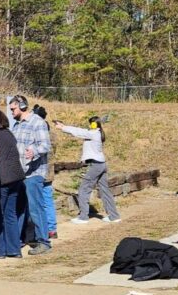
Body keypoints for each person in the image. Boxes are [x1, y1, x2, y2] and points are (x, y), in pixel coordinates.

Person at [54, 115, 122, 224]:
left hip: (96, 165)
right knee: (105, 190)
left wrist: (63, 128)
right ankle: (114, 216)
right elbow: (82, 130)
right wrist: (63, 126)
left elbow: (79, 132)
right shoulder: (96, 133)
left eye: (91, 123)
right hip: (101, 164)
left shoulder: (93, 134)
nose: (89, 125)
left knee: (83, 189)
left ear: (94, 124)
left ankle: (83, 217)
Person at [9, 95, 52, 255]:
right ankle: (18, 241)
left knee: (36, 208)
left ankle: (44, 242)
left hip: (34, 173)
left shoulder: (38, 123)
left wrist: (33, 151)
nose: (11, 111)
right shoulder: (16, 125)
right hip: (19, 173)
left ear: (22, 106)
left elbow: (45, 145)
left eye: (13, 108)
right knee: (19, 209)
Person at [0, 109, 26, 259]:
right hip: (16, 177)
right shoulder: (9, 134)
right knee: (10, 214)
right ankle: (14, 249)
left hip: (4, 178)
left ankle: (0, 250)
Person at [33, 104, 59, 241]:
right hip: (49, 171)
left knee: (38, 202)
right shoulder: (51, 133)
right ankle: (51, 229)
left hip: (39, 170)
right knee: (47, 201)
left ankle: (42, 230)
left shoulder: (38, 129)